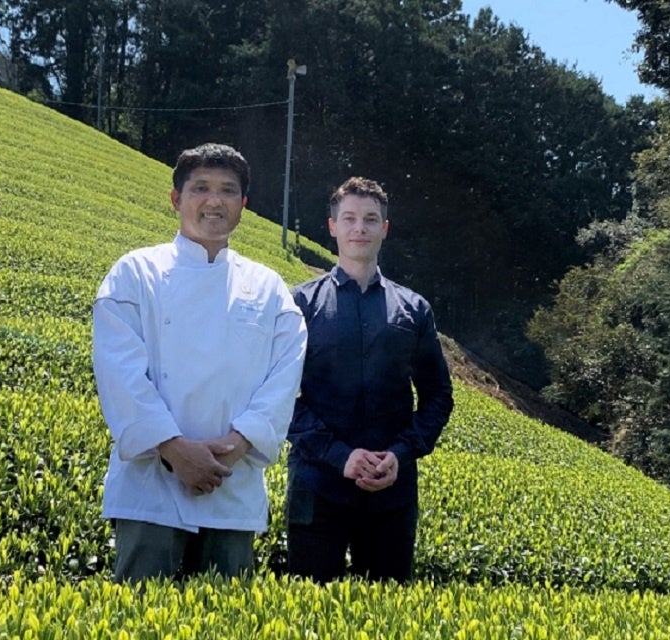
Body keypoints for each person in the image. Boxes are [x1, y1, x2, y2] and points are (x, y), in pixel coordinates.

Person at [92, 143, 307, 583]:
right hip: (151, 490)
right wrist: (175, 450)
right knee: (140, 614)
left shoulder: (267, 288)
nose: (214, 201)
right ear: (176, 199)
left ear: (243, 205)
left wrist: (236, 445)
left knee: (225, 615)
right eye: (201, 188)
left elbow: (284, 377)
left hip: (231, 486)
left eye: (228, 190)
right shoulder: (135, 274)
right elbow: (120, 373)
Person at [285, 176, 453, 583]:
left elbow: (437, 395)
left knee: (387, 610)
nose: (359, 228)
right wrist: (340, 456)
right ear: (332, 226)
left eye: (370, 219)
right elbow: (280, 397)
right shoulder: (299, 304)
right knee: (309, 608)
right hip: (317, 486)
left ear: (385, 228)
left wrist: (401, 453)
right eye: (349, 218)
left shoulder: (413, 309)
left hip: (392, 492)